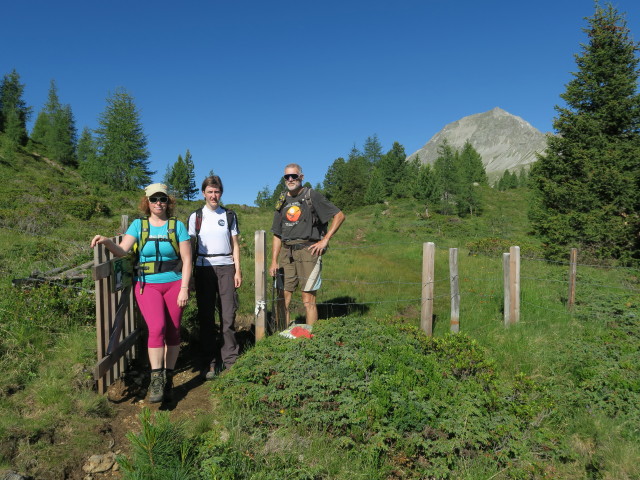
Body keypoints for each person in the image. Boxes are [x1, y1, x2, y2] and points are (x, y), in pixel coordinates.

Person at [91, 183, 191, 403]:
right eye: (154, 199)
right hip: (147, 285)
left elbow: (186, 260)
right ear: (147, 202)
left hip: (174, 284)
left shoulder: (177, 226)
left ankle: (169, 376)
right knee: (157, 328)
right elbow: (123, 250)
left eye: (162, 199)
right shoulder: (138, 225)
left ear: (168, 202)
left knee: (173, 331)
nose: (158, 203)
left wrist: (184, 288)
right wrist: (107, 241)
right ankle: (156, 379)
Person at [269, 163, 345, 326]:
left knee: (308, 299)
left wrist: (325, 240)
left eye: (294, 176)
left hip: (308, 251)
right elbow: (276, 233)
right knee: (282, 298)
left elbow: (339, 215)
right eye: (287, 177)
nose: (290, 179)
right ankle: (282, 339)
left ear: (301, 177)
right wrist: (274, 260)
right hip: (286, 253)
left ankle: (311, 340)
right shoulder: (282, 201)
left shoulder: (312, 195)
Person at [188, 176, 241, 379]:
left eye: (216, 191)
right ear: (203, 193)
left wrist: (238, 270)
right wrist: (190, 276)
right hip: (203, 268)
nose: (213, 195)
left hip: (227, 267)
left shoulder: (228, 215)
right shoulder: (196, 217)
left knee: (228, 316)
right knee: (206, 316)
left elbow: (235, 244)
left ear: (221, 193)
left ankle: (230, 361)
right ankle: (210, 361)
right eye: (209, 191)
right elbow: (190, 248)